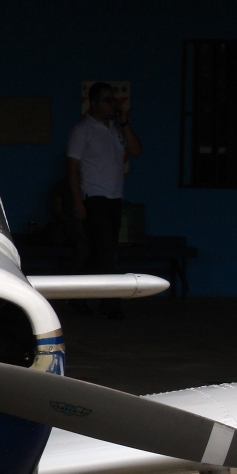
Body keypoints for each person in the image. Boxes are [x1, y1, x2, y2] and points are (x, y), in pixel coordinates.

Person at [67, 82, 143, 319]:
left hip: (115, 197)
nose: (113, 105)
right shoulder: (82, 130)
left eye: (114, 100)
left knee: (102, 251)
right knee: (105, 250)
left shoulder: (117, 129)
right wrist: (78, 202)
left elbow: (137, 151)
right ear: (94, 103)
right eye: (108, 100)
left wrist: (124, 124)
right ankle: (110, 303)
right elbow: (72, 169)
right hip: (94, 196)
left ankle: (74, 294)